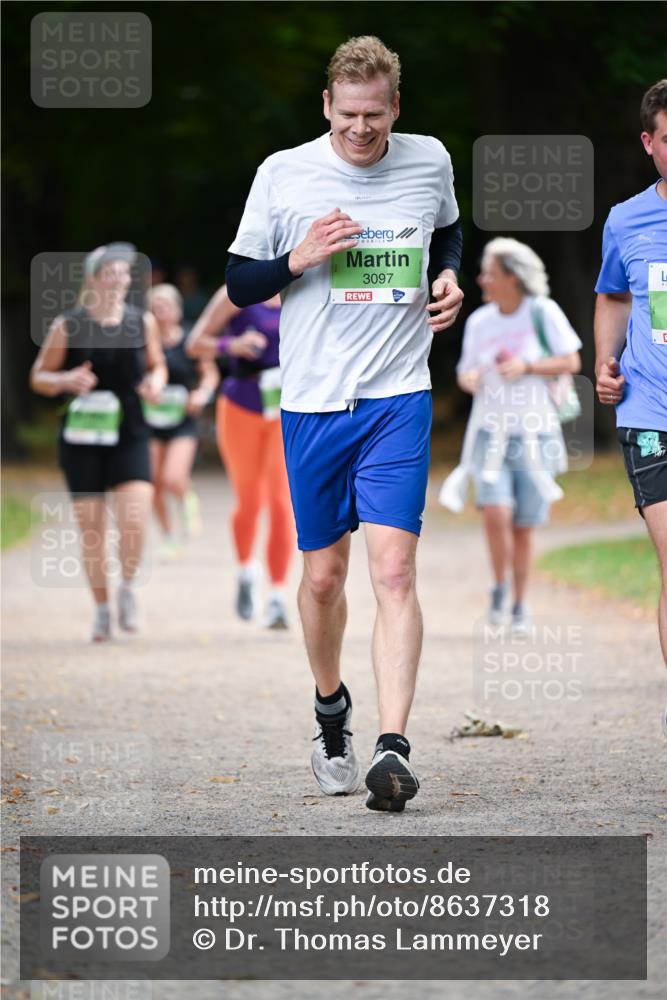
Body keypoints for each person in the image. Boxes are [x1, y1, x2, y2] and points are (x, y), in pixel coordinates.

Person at [224, 35, 464, 811]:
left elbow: (447, 232)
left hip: (398, 396)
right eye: (348, 114)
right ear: (326, 106)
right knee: (324, 577)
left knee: (392, 572)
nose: (362, 128)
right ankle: (332, 711)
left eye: (376, 114)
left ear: (395, 107)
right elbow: (237, 281)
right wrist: (296, 260)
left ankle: (392, 748)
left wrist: (450, 275)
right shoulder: (282, 173)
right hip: (313, 404)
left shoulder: (429, 160)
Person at [30, 243, 167, 641]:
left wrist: (155, 384)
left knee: (134, 520)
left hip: (129, 432)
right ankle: (102, 608)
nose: (120, 280)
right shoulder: (68, 325)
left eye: (125, 273)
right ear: (93, 279)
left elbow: (157, 365)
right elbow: (39, 376)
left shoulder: (142, 322)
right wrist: (65, 380)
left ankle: (126, 588)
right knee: (92, 531)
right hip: (82, 438)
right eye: (111, 273)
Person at [444, 239, 582, 631]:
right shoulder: (479, 322)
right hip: (490, 433)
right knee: (496, 513)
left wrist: (526, 366)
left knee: (524, 525)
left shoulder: (543, 312)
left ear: (512, 278)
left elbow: (571, 360)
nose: (483, 279)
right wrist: (469, 380)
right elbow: (465, 373)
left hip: (535, 435)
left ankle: (520, 604)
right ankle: (499, 586)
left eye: (490, 272)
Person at [594, 79, 667, 728]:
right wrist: (603, 360)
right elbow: (613, 295)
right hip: (649, 409)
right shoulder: (626, 218)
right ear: (649, 143)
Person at [187, 289, 295, 629]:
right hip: (241, 405)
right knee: (249, 501)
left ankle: (277, 596)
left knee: (282, 503)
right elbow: (195, 343)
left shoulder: (307, 284)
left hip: (288, 407)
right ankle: (247, 570)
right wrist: (228, 346)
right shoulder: (239, 290)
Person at [145, 284, 219, 555]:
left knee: (173, 477)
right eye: (155, 307)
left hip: (182, 420)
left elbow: (210, 373)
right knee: (152, 482)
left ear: (177, 309)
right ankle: (167, 536)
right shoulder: (143, 342)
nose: (160, 312)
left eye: (165, 306)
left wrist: (202, 393)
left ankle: (186, 500)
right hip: (150, 421)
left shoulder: (191, 340)